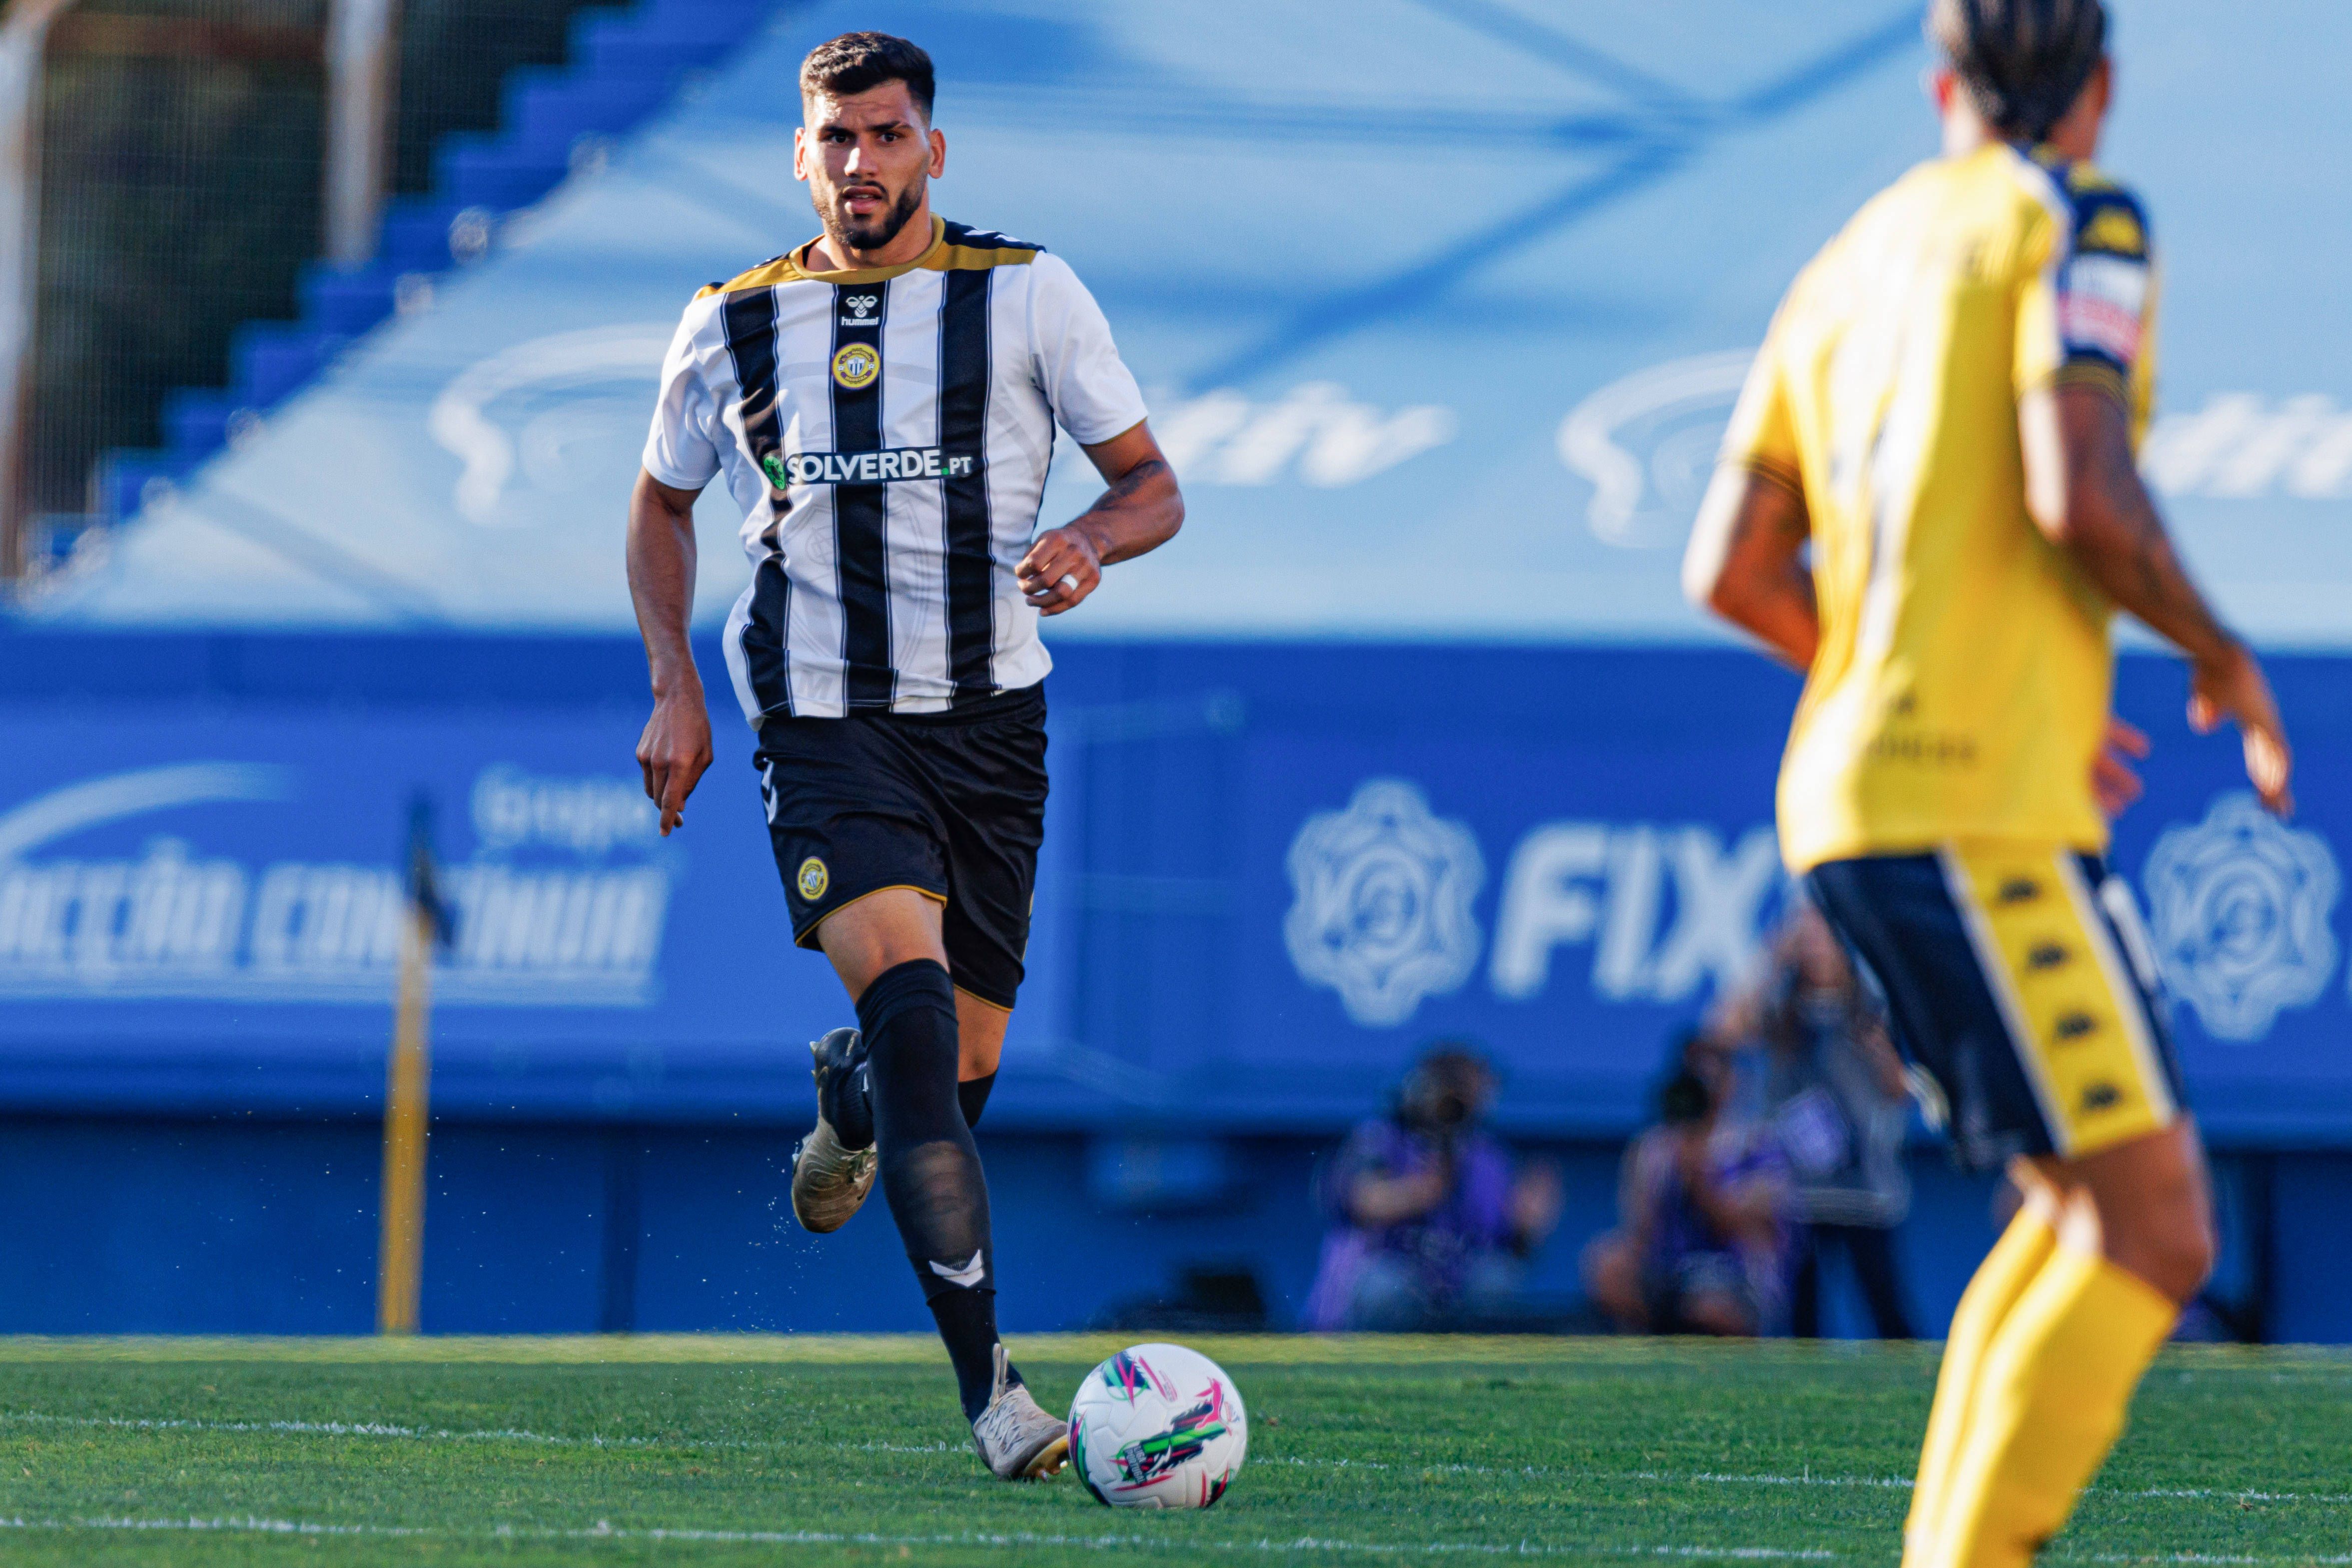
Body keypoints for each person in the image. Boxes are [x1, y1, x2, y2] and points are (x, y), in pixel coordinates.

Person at [1682, 0, 2293, 1560]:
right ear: (2102, 89)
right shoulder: (2079, 215)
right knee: (2157, 1227)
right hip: (1972, 802)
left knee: (2077, 1211)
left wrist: (1903, 676)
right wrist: (2220, 650)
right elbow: (2077, 485)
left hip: (1859, 796)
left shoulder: (1846, 261)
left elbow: (1733, 565)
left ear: (1939, 82)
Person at [624, 31, 1182, 1481]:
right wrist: (676, 687)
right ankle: (995, 1396)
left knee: (959, 1064)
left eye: (885, 135)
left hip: (991, 729)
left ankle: (852, 1098)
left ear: (934, 148)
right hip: (821, 722)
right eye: (836, 138)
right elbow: (660, 506)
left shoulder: (1029, 295)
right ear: (799, 156)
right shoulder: (731, 321)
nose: (860, 161)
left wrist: (1089, 539)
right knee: (925, 1033)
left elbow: (1151, 486)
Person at [1718, 902, 1915, 1340]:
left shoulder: (1872, 1005)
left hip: (1866, 1190)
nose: (1815, 950)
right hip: (1796, 1196)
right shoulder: (1780, 1010)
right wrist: (1770, 958)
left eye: (1823, 937)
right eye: (1805, 940)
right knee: (1800, 1325)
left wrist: (1880, 1053)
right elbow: (1724, 1031)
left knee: (1889, 1315)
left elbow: (1901, 1092)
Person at [1303, 1045, 1562, 1332]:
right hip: (1383, 1283)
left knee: (1496, 1280)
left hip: (1452, 1290)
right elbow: (1363, 1201)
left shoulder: (1486, 1155)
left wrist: (1526, 1226)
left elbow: (1506, 1249)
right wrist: (1421, 1191)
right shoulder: (1380, 1138)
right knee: (1383, 1288)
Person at [1582, 1032, 1794, 1337]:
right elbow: (1640, 1232)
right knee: (1607, 1265)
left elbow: (1740, 1225)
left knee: (1709, 1306)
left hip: (1735, 1275)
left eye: (1712, 1076)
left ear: (1731, 1081)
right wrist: (1667, 1167)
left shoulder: (1756, 1144)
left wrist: (1699, 1176)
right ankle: (1647, 1351)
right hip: (1672, 1270)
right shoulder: (1654, 1146)